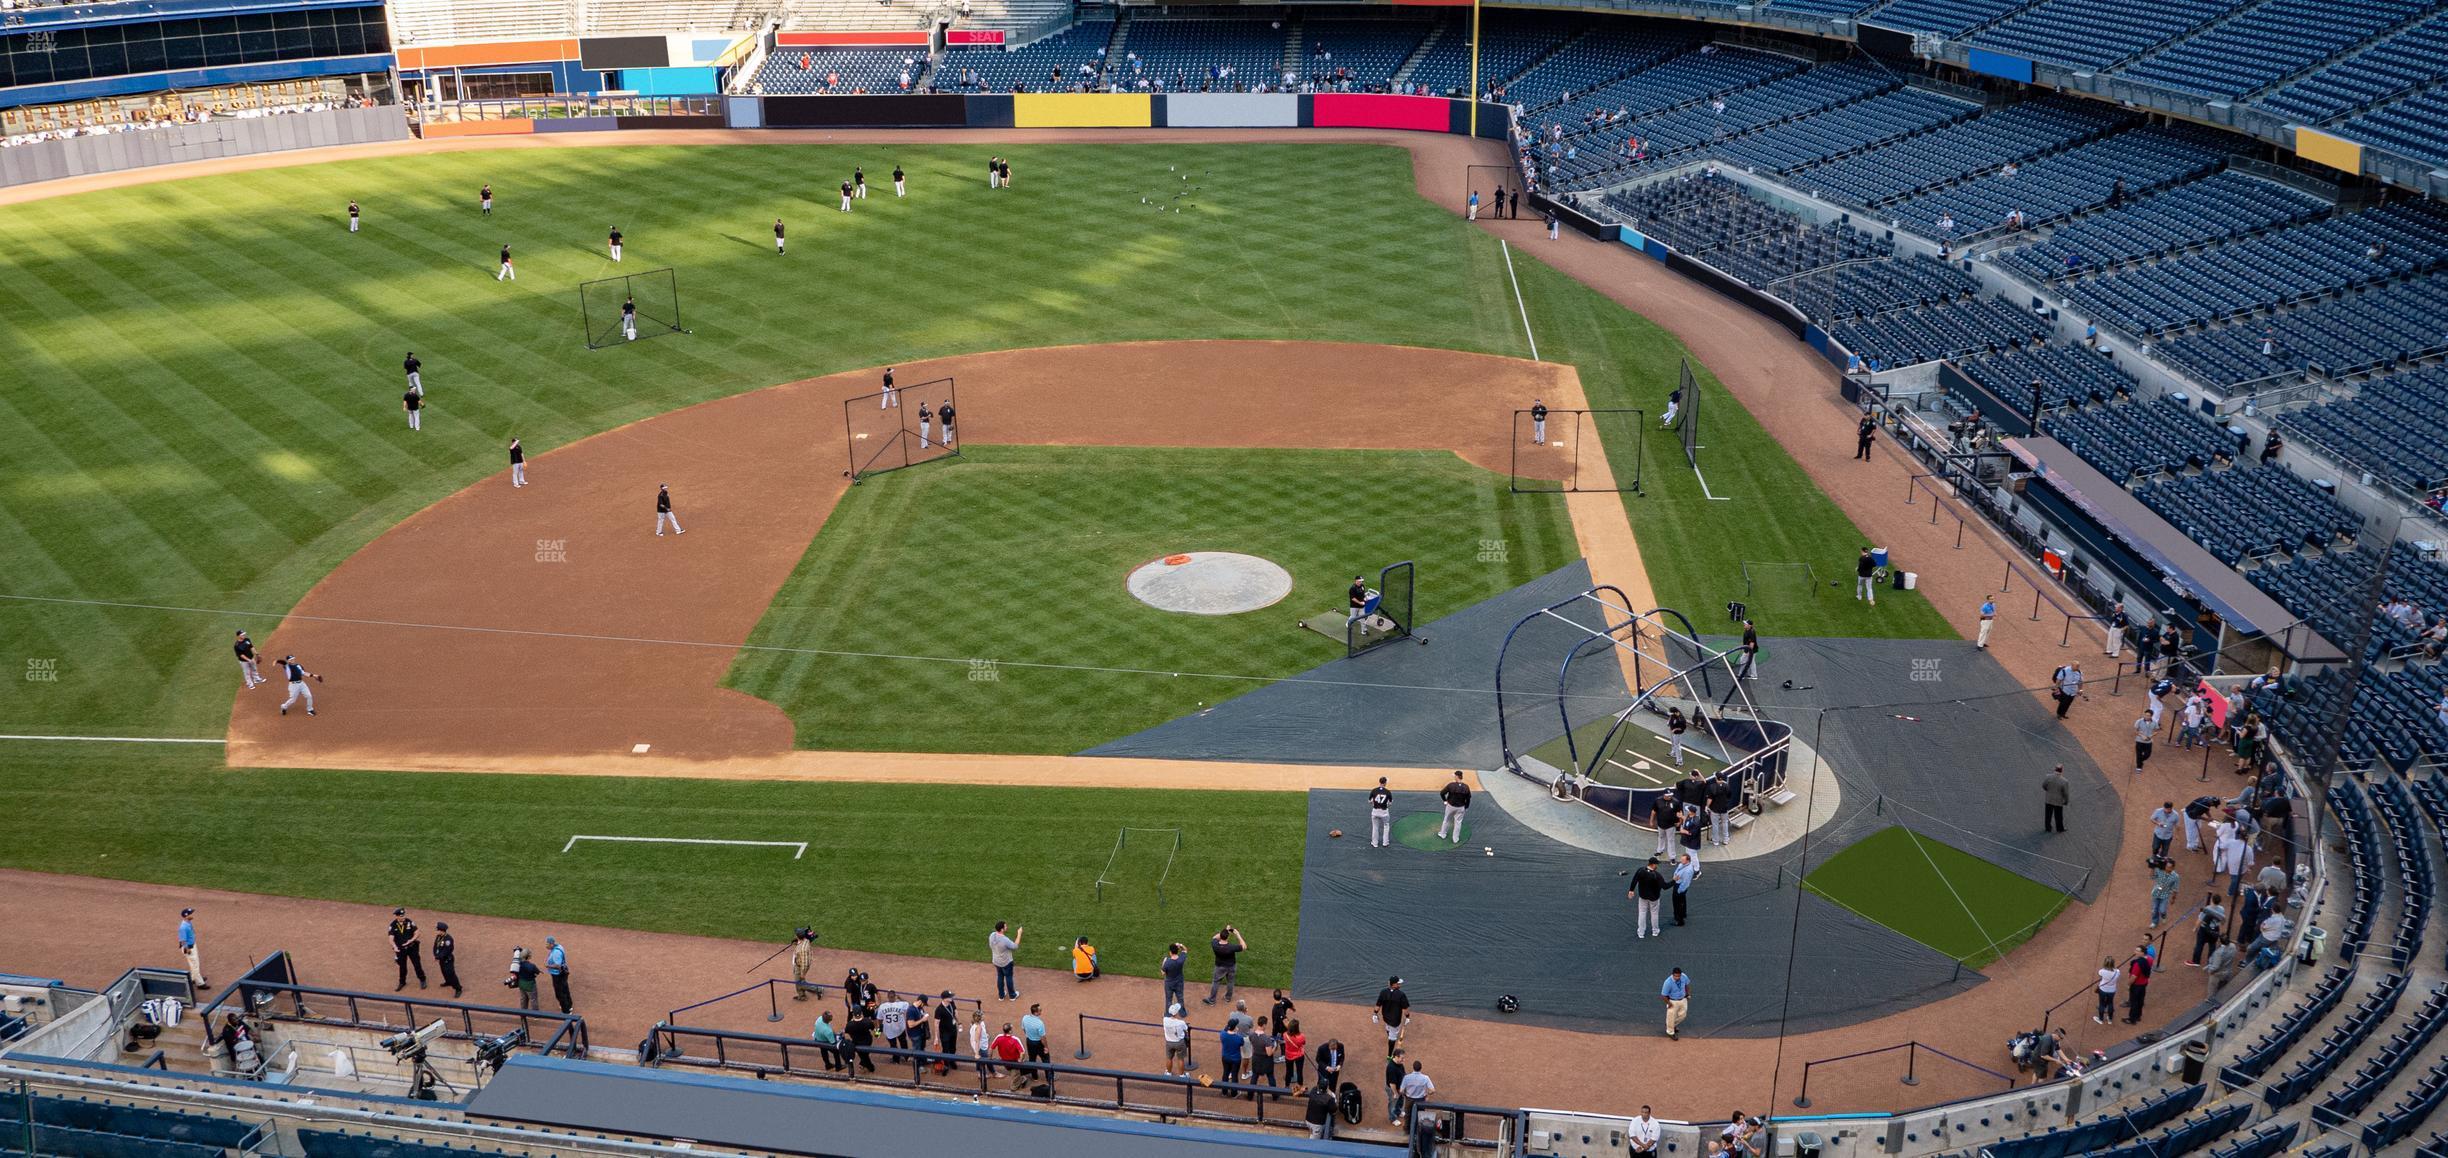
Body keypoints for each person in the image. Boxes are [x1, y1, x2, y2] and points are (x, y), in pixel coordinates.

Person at [1204, 925, 1246, 1004]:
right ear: (1228, 937)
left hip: (1219, 967)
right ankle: (1228, 998)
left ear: (1221, 936)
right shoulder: (1231, 947)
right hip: (1231, 967)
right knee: (1230, 982)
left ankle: (1212, 1000)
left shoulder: (1215, 944)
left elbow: (1214, 937)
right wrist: (1238, 934)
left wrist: (1225, 930)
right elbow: (1244, 946)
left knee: (1216, 982)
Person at [389, 908, 427, 991]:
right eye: (401, 916)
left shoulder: (409, 922)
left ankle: (422, 979)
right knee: (402, 967)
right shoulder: (393, 925)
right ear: (396, 916)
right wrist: (394, 946)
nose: (403, 917)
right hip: (400, 950)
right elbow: (391, 938)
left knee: (417, 964)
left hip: (412, 947)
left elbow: (417, 932)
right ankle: (402, 982)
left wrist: (411, 940)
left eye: (404, 915)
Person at [1631, 857, 1666, 938]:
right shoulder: (1657, 875)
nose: (1657, 866)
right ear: (1653, 865)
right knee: (1654, 914)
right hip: (1654, 898)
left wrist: (1631, 890)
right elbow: (1665, 886)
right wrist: (1674, 881)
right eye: (1656, 864)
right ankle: (1655, 931)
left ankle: (1641, 932)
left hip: (1643, 896)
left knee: (1642, 913)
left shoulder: (1640, 870)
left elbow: (1634, 880)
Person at [2188, 893, 2226, 966]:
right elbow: (2222, 920)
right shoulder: (2222, 909)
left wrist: (2195, 928)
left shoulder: (2207, 909)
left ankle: (2196, 961)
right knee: (2212, 946)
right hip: (2215, 929)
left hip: (2204, 929)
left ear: (2212, 900)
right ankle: (2210, 963)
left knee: (2199, 945)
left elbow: (2200, 920)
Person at [1398, 1060, 1435, 1132]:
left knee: (1408, 1115)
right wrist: (1427, 1094)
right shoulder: (1425, 1078)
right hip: (1421, 1100)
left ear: (1413, 1068)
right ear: (1421, 1068)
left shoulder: (1406, 1077)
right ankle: (1418, 1130)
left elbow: (1401, 1091)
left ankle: (1407, 1129)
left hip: (1409, 1099)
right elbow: (1433, 1090)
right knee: (1420, 1115)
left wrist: (1405, 1094)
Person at [989, 920, 1022, 1000]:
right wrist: (1019, 934)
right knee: (1009, 977)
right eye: (1005, 926)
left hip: (996, 961)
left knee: (1000, 977)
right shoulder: (1004, 939)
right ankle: (1012, 996)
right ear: (1002, 929)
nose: (1007, 927)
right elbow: (1015, 946)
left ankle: (1001, 995)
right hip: (1006, 962)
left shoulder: (992, 935)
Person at [1436, 770, 1472, 843]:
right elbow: (1468, 799)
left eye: (1455, 775)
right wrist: (1466, 807)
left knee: (1446, 820)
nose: (1454, 777)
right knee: (1458, 822)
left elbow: (1442, 793)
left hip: (1450, 806)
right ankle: (1455, 839)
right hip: (1461, 807)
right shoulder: (1466, 787)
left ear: (1457, 776)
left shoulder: (1451, 785)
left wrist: (1445, 801)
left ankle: (1443, 834)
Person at [1375, 976, 1410, 1046]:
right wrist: (1407, 1017)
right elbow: (1405, 1009)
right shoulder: (1401, 995)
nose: (1400, 985)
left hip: (1386, 1017)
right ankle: (1389, 1056)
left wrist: (1375, 1014)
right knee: (1393, 1037)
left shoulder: (1383, 992)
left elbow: (1378, 1005)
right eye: (1398, 983)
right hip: (1395, 1020)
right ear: (1393, 985)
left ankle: (1389, 1034)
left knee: (1388, 1026)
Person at [2123, 944, 2152, 1023]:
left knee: (2134, 1002)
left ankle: (2132, 1019)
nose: (2135, 952)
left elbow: (2134, 977)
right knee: (2140, 1001)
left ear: (2142, 953)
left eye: (2137, 951)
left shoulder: (2137, 964)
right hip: (2144, 984)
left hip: (2136, 985)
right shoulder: (2147, 960)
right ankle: (2138, 1016)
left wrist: (2128, 984)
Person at [2149, 857, 2180, 928]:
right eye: (2166, 866)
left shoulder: (2176, 877)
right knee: (2154, 909)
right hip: (2156, 893)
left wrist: (2173, 899)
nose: (2167, 868)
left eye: (2169, 867)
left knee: (2162, 910)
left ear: (2173, 868)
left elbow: (2175, 888)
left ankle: (2163, 915)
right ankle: (2154, 922)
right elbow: (2151, 877)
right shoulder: (2159, 870)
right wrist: (2152, 867)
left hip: (2165, 895)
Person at [544, 936, 571, 1013]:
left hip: (558, 975)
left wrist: (548, 966)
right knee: (565, 988)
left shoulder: (556, 953)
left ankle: (566, 1011)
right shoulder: (559, 946)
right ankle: (569, 1005)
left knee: (559, 993)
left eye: (547, 944)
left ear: (552, 944)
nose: (546, 945)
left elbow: (557, 966)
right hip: (563, 972)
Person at [1661, 967, 1690, 1039]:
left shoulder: (1684, 976)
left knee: (1683, 1015)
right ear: (1672, 975)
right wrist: (1669, 1003)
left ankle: (1670, 1024)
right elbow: (1663, 995)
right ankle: (1670, 1032)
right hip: (1673, 1001)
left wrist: (1688, 994)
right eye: (1675, 976)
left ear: (1681, 974)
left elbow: (1687, 985)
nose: (1677, 977)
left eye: (1678, 976)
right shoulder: (1668, 982)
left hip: (1683, 999)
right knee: (1671, 1016)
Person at [178, 908, 205, 985]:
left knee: (193, 964)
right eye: (190, 913)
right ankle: (200, 983)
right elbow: (183, 940)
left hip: (192, 945)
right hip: (189, 948)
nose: (192, 915)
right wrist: (187, 949)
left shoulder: (188, 923)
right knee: (195, 965)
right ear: (186, 916)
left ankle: (194, 978)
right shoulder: (183, 927)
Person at [434, 921, 461, 997]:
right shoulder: (438, 937)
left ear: (441, 930)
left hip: (447, 959)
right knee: (444, 971)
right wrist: (436, 955)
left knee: (451, 974)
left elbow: (447, 951)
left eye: (438, 930)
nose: (437, 931)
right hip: (441, 959)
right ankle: (448, 982)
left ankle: (458, 988)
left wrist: (438, 956)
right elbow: (435, 946)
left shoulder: (448, 939)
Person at [1162, 1003, 1190, 1074]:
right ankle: (1182, 1075)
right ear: (1177, 1013)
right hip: (1179, 1043)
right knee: (1181, 1059)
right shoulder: (1181, 1022)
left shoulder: (1165, 1020)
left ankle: (1168, 1073)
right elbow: (1186, 1028)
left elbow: (1163, 1015)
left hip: (1169, 1042)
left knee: (1169, 1058)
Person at [1383, 1047, 1408, 1125]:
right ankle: (1392, 1118)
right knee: (1393, 1103)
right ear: (1396, 1057)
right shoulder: (1391, 1068)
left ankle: (1398, 1111)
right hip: (1392, 1089)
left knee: (1400, 1100)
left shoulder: (1399, 1064)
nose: (1404, 1060)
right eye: (1402, 1058)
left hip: (1399, 1088)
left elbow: (1404, 1074)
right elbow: (1392, 1084)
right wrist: (1395, 1093)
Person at [2042, 765, 2070, 833]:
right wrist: (2066, 801)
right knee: (2058, 816)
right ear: (2061, 771)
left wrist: (2048, 791)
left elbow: (2044, 785)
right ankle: (2059, 828)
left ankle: (2048, 828)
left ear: (2055, 769)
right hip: (2058, 801)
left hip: (2049, 799)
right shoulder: (2064, 781)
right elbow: (2066, 793)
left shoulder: (2048, 777)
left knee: (2048, 815)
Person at [1673, 853, 1699, 926]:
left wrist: (1679, 890)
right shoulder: (1682, 865)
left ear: (1688, 860)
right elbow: (1677, 871)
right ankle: (1683, 914)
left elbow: (1686, 883)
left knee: (1677, 904)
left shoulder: (1688, 870)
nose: (1681, 861)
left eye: (1683, 860)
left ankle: (1679, 920)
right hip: (1678, 884)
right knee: (1682, 901)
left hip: (1680, 886)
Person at [1160, 942, 1187, 1010]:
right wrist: (1180, 945)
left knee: (1169, 999)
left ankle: (1168, 1014)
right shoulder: (1181, 959)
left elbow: (1163, 973)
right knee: (1180, 997)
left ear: (1170, 952)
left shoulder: (1167, 962)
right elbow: (1185, 950)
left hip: (1169, 983)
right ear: (1177, 951)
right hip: (1179, 982)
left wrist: (1164, 961)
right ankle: (1182, 1012)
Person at [1283, 1017, 1307, 1087]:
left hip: (1289, 1055)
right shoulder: (1301, 1036)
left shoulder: (1285, 1035)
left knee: (1288, 1071)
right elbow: (1303, 1043)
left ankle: (1287, 1085)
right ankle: (1300, 1086)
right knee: (1299, 1071)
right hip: (1299, 1055)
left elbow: (1288, 1032)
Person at [2092, 957, 2118, 1024]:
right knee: (2110, 1003)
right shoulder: (2117, 972)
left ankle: (2100, 1019)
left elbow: (2100, 976)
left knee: (2102, 1004)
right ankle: (2110, 1019)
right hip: (2112, 990)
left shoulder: (2101, 971)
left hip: (2103, 989)